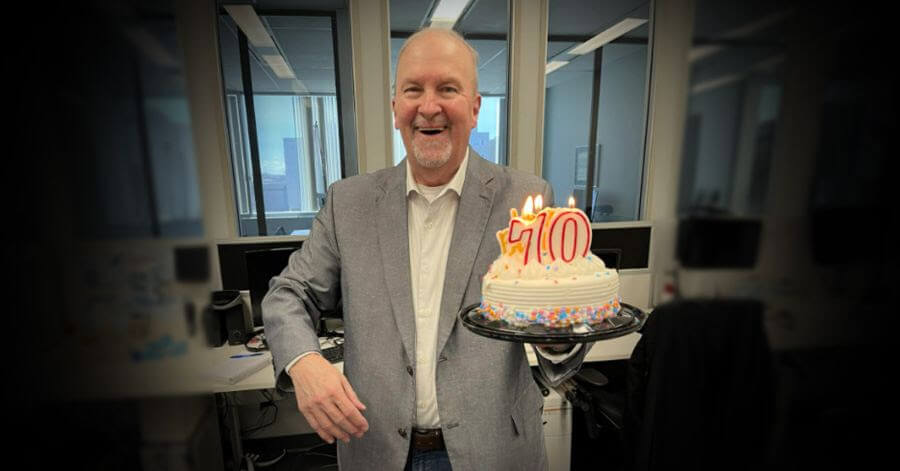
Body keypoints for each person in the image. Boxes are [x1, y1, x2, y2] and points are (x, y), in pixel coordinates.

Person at [263, 27, 591, 471]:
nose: (429, 106)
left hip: (495, 450)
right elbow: (288, 294)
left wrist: (557, 333)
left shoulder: (526, 199)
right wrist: (304, 361)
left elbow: (554, 322)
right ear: (395, 105)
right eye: (413, 89)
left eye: (448, 89)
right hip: (376, 448)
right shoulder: (349, 202)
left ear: (475, 109)